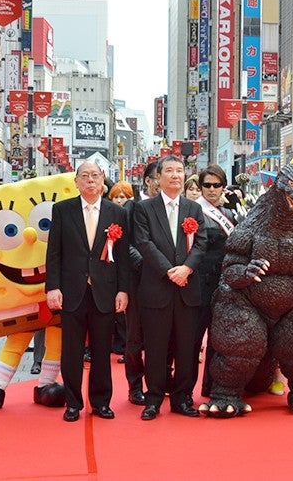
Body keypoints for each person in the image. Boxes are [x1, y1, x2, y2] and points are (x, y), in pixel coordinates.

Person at [46, 162, 131, 422]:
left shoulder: (117, 212)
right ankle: (73, 403)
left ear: (103, 179)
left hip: (105, 292)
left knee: (102, 351)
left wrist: (123, 291)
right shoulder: (63, 210)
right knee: (71, 352)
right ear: (76, 181)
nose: (90, 181)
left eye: (95, 176)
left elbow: (124, 258)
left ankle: (101, 402)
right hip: (72, 292)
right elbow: (54, 253)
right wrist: (53, 287)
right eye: (85, 176)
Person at [133, 154, 208, 420]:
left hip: (187, 288)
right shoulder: (144, 209)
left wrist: (186, 269)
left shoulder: (194, 208)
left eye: (180, 171)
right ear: (158, 177)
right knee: (155, 346)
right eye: (170, 171)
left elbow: (201, 243)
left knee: (187, 347)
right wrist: (169, 271)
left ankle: (183, 398)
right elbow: (144, 243)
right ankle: (153, 399)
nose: (176, 175)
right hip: (157, 289)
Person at [194, 165, 236, 398]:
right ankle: (183, 389)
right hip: (198, 281)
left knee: (218, 338)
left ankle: (212, 387)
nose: (211, 189)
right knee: (193, 337)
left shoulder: (229, 214)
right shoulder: (192, 210)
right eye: (207, 185)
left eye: (216, 185)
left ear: (223, 186)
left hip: (224, 282)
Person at [123, 164, 159, 405]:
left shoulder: (175, 207)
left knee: (161, 337)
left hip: (165, 282)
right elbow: (123, 241)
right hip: (138, 281)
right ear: (147, 181)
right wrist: (146, 264)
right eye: (156, 177)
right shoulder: (132, 207)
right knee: (135, 338)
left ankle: (158, 384)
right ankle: (134, 386)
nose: (160, 181)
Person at [108, 181, 136, 360]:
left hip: (128, 265)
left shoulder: (132, 214)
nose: (119, 201)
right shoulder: (107, 213)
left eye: (123, 197)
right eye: (116, 197)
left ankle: (126, 344)